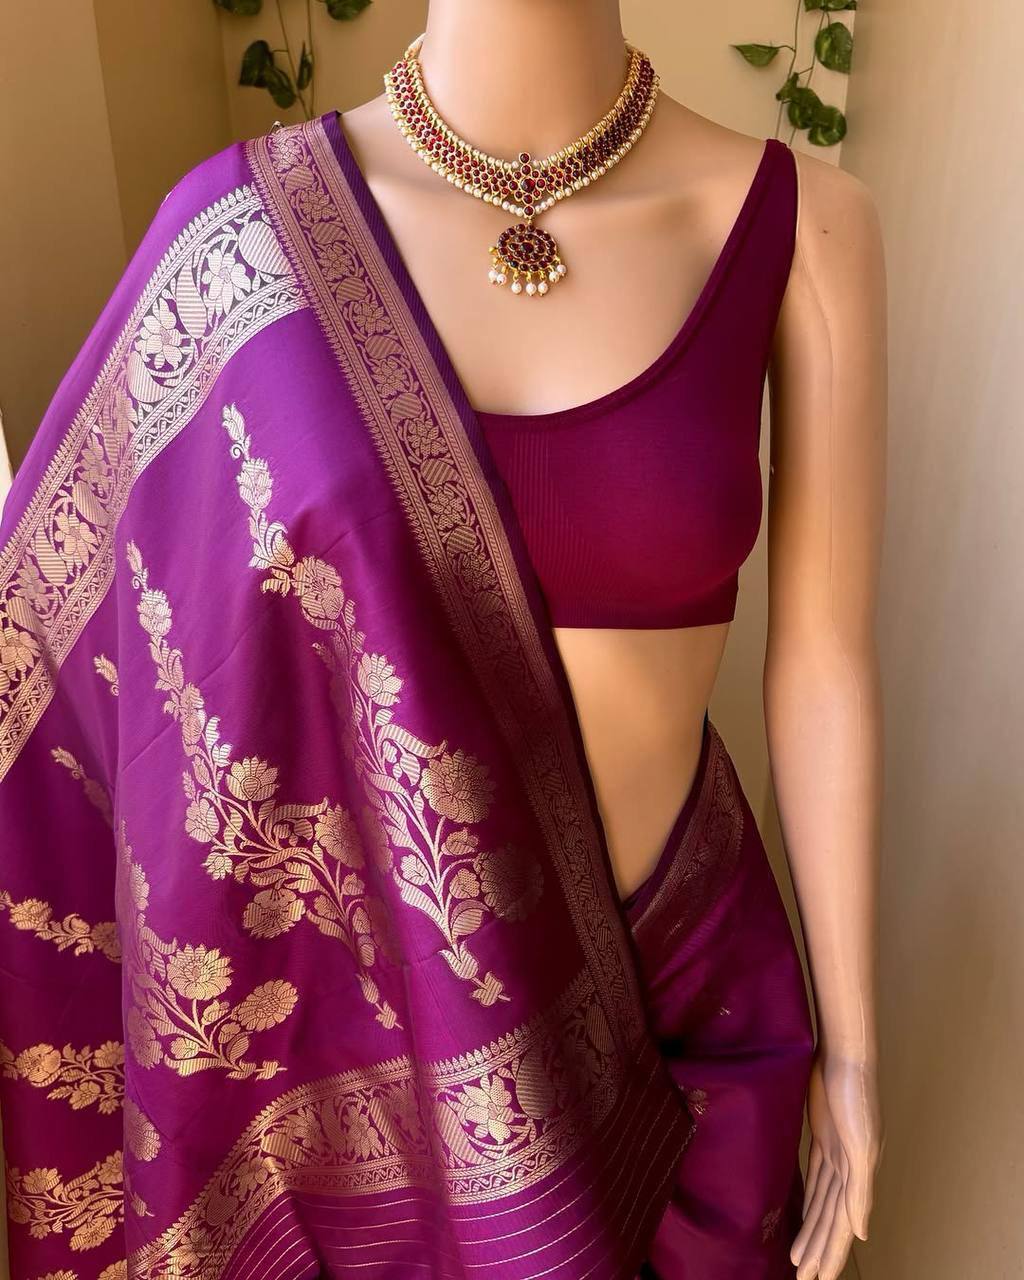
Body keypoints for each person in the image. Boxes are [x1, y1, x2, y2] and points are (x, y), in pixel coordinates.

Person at [0, 2, 885, 1277]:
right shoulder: (240, 240)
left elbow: (824, 665)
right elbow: (64, 655)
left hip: (683, 1014)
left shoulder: (802, 224)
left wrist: (853, 1049)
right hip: (376, 1050)